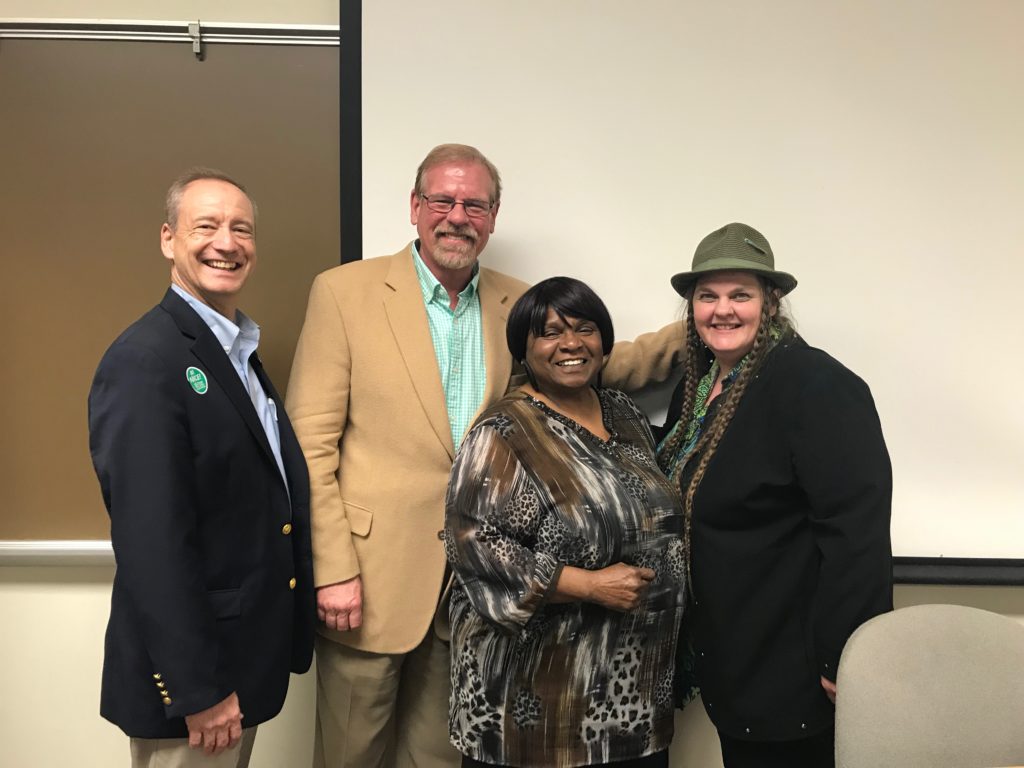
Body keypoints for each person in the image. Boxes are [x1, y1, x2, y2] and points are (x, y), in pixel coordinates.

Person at [285, 144, 685, 768]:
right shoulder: (344, 292)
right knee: (349, 754)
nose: (457, 215)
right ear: (415, 207)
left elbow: (594, 365)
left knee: (441, 757)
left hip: (478, 596)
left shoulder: (518, 303)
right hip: (371, 577)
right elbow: (309, 443)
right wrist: (333, 567)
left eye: (474, 203)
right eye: (442, 200)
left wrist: (699, 328)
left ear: (493, 216)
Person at [88, 168, 315, 768]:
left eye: (242, 229)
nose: (227, 242)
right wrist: (199, 689)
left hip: (238, 665)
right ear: (168, 239)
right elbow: (151, 541)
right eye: (206, 225)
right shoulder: (146, 360)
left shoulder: (235, 351)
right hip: (198, 688)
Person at [656, 222, 892, 768]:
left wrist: (845, 658)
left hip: (794, 665)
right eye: (708, 296)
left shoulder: (816, 385)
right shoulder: (697, 389)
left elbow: (855, 532)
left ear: (772, 300)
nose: (723, 309)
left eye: (741, 294)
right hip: (733, 653)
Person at [443, 277, 687, 768]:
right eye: (550, 333)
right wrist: (591, 586)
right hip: (535, 703)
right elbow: (474, 544)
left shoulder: (622, 412)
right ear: (524, 349)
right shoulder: (503, 431)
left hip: (633, 697)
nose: (571, 343)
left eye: (584, 328)